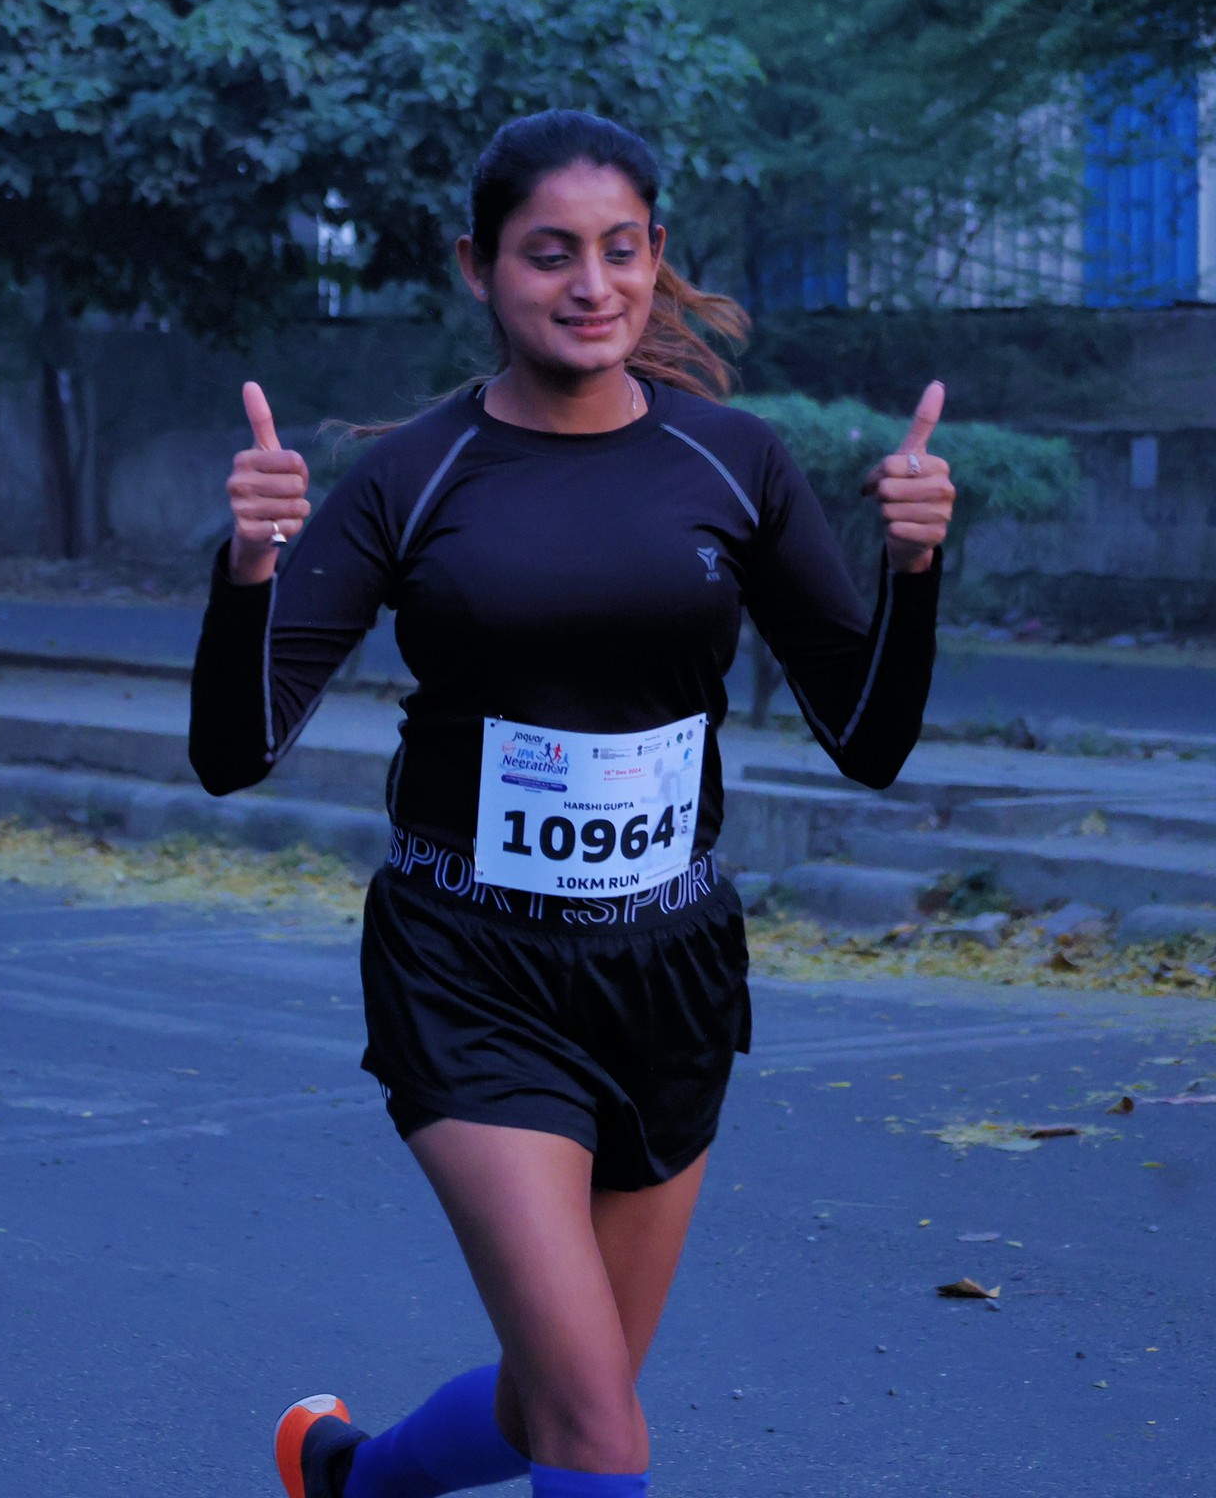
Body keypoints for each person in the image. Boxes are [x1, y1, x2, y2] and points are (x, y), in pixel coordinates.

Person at [187, 110, 954, 1498]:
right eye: (550, 255)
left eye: (620, 250)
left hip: (671, 972)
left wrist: (914, 574)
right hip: (469, 972)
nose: (591, 286)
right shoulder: (414, 476)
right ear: (478, 267)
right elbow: (234, 751)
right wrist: (248, 570)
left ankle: (350, 1480)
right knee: (598, 1427)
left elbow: (868, 739)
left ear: (657, 256)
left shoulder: (735, 461)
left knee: (559, 1401)